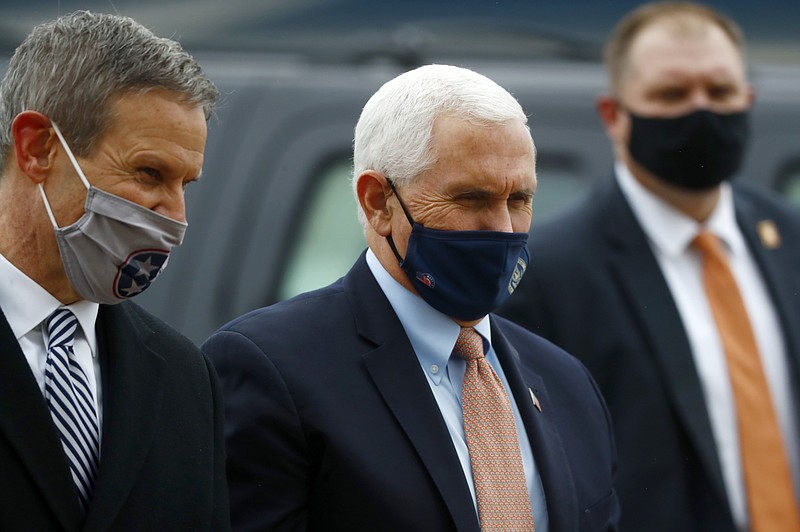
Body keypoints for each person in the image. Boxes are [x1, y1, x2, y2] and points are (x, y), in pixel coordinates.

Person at [204, 64, 619, 531]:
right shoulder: (273, 368)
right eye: (471, 198)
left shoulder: (566, 382)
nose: (503, 229)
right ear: (378, 202)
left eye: (519, 200)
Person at [499, 2, 800, 531]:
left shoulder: (790, 237)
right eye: (672, 94)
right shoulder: (548, 275)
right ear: (614, 115)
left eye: (721, 92)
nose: (701, 110)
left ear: (747, 100)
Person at [0, 11, 229, 531]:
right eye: (150, 173)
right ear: (37, 148)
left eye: (185, 185)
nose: (175, 217)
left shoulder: (185, 377)